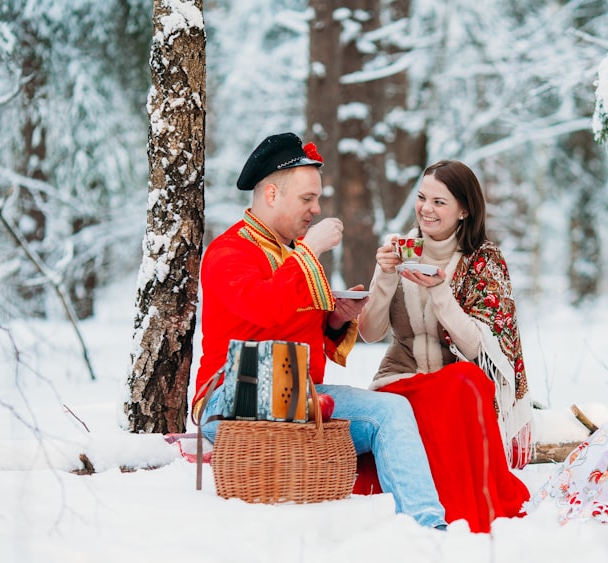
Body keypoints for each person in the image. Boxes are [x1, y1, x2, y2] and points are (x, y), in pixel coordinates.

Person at [192, 132, 447, 530]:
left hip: (296, 395)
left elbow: (298, 330)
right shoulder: (230, 252)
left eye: (318, 199)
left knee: (391, 410)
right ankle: (425, 527)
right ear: (272, 195)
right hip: (231, 395)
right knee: (362, 404)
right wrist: (310, 251)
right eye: (307, 199)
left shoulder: (295, 254)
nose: (316, 209)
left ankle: (426, 530)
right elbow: (264, 308)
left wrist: (335, 318)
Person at [358, 160, 534, 533]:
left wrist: (440, 291)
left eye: (440, 202)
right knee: (416, 400)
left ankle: (463, 510)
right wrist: (385, 277)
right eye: (422, 198)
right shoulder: (400, 249)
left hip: (455, 387)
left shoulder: (483, 262)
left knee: (463, 382)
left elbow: (478, 350)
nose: (426, 209)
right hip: (401, 379)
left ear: (464, 210)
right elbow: (371, 333)